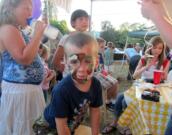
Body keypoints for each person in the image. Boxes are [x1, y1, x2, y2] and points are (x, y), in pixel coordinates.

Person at [0, 0, 47, 134]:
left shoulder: (17, 29)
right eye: (26, 8)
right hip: (19, 93)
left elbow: (30, 56)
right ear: (10, 8)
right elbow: (24, 58)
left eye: (31, 8)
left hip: (26, 92)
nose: (31, 12)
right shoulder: (7, 28)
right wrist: (38, 34)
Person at [44, 32, 103, 135]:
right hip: (51, 128)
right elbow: (61, 126)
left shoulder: (96, 85)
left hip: (70, 126)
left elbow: (95, 111)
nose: (81, 69)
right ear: (66, 61)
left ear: (96, 62)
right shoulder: (61, 91)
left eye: (88, 61)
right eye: (74, 62)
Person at [139, 0, 172, 134]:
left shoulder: (164, 60)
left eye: (160, 48)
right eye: (154, 47)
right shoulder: (145, 58)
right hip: (144, 85)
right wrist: (158, 6)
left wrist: (153, 12)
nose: (156, 50)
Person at [52, 9, 89, 78]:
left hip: (85, 76)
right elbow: (56, 60)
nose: (85, 21)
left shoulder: (89, 40)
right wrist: (65, 71)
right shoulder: (66, 38)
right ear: (73, 23)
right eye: (81, 19)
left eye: (87, 19)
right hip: (71, 77)